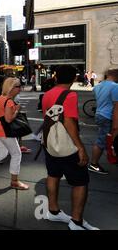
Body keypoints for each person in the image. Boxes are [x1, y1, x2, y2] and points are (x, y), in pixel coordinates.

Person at [42, 65, 97, 230]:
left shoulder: (47, 94)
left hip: (49, 143)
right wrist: (80, 147)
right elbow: (69, 122)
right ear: (74, 79)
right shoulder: (70, 95)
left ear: (56, 77)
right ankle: (76, 221)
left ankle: (53, 210)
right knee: (80, 182)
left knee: (53, 175)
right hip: (67, 146)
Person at [88, 68, 118, 175]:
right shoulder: (115, 87)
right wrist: (115, 125)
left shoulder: (98, 86)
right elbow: (116, 108)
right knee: (103, 140)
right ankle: (93, 164)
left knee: (104, 138)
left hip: (99, 114)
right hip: (108, 116)